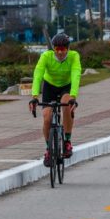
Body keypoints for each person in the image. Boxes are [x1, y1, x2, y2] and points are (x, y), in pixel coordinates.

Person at [29, 33, 81, 166]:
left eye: (63, 49)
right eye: (57, 49)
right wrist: (34, 96)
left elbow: (76, 75)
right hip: (49, 86)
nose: (60, 52)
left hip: (66, 86)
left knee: (66, 105)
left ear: (68, 48)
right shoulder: (46, 56)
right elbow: (38, 74)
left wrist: (73, 97)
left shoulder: (74, 56)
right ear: (53, 48)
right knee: (47, 117)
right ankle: (48, 150)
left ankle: (67, 141)